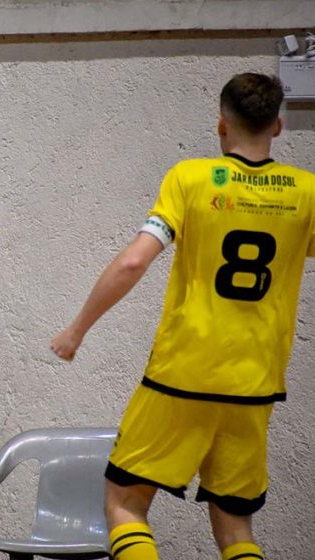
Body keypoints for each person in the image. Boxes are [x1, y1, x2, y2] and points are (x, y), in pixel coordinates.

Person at [50, 72, 315, 560]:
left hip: (183, 374)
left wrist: (77, 329)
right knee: (236, 526)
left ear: (221, 124)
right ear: (279, 126)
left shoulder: (191, 178)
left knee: (125, 502)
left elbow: (134, 261)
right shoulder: (307, 191)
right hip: (255, 384)